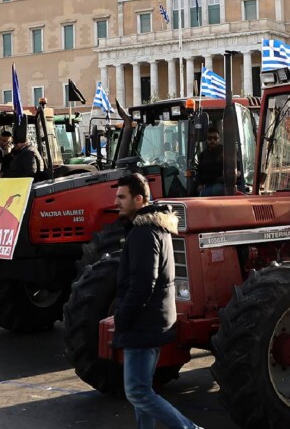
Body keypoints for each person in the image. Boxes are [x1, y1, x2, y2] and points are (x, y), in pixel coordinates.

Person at [112, 173, 201, 429]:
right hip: (153, 321)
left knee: (137, 392)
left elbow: (142, 285)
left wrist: (122, 318)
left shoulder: (143, 233)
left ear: (138, 199)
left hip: (143, 325)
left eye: (121, 197)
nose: (116, 201)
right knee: (143, 390)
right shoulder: (153, 228)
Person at [196, 127, 224, 196]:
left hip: (221, 184)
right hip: (206, 185)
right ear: (206, 139)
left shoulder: (226, 153)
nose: (212, 141)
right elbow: (199, 172)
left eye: (215, 138)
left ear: (219, 139)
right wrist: (199, 184)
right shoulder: (202, 155)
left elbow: (236, 169)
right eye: (209, 138)